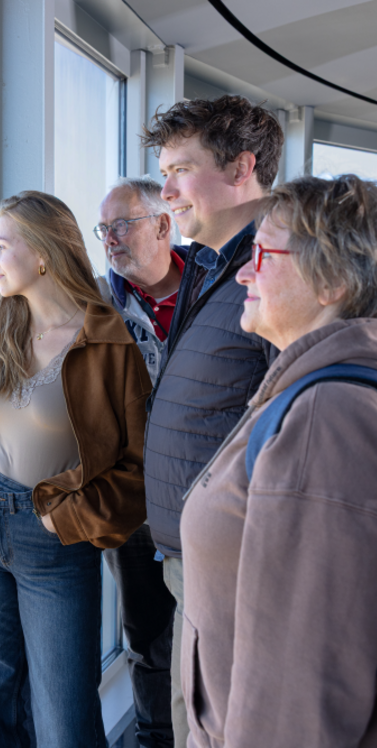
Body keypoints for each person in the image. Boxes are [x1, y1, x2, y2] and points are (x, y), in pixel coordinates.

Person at [0, 190, 152, 748]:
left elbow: (138, 467)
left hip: (56, 540)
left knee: (64, 720)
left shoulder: (109, 341)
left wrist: (69, 519)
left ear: (42, 254)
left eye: (1, 247)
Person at [180, 174, 377, 748]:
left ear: (333, 279)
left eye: (262, 253)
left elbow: (297, 705)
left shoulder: (326, 419)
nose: (243, 271)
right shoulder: (319, 392)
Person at [139, 95, 283, 745]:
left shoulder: (275, 272)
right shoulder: (210, 263)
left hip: (236, 566)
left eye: (179, 170)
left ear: (240, 167)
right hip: (192, 558)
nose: (165, 190)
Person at [95, 176, 186, 748]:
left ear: (161, 224)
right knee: (148, 640)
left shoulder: (219, 289)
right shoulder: (98, 307)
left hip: (208, 500)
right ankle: (156, 738)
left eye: (121, 225)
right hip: (133, 505)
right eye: (103, 229)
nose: (110, 239)